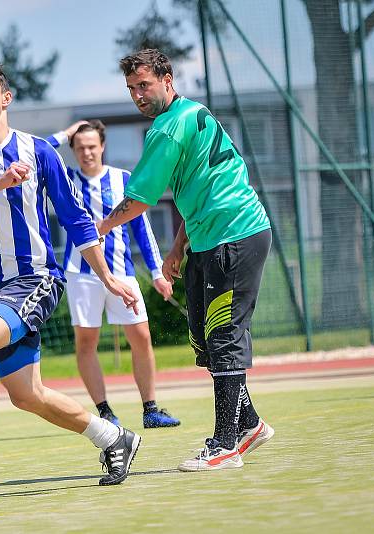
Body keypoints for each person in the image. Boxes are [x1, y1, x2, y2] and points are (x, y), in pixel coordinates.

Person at [0, 59, 142, 486]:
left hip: (37, 279)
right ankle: (114, 437)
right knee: (28, 396)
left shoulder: (38, 150)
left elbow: (76, 219)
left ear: (5, 98)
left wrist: (106, 277)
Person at [98, 49, 275, 471]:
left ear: (167, 79)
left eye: (144, 85)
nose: (138, 95)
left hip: (234, 236)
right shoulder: (193, 114)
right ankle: (248, 424)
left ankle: (226, 444)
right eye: (131, 89)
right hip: (209, 238)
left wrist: (97, 230)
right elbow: (200, 188)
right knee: (204, 337)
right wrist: (179, 246)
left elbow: (139, 199)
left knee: (224, 338)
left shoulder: (168, 128)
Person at [47, 120, 181, 429]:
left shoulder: (123, 180)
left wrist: (157, 272)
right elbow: (35, 154)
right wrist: (64, 132)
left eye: (92, 146)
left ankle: (150, 409)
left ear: (103, 146)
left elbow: (142, 230)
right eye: (79, 148)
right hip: (81, 275)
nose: (87, 153)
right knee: (86, 342)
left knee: (142, 336)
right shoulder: (65, 180)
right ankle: (105, 412)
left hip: (123, 272)